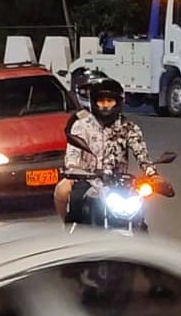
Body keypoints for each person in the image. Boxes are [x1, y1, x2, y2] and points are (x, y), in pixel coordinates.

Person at [54, 77, 161, 222]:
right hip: (86, 180)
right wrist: (73, 169)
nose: (105, 105)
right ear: (94, 102)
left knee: (138, 215)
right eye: (101, 101)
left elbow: (141, 153)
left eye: (110, 101)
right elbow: (72, 154)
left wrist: (153, 174)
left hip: (119, 183)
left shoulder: (129, 128)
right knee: (62, 190)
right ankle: (68, 230)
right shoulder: (81, 125)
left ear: (118, 102)